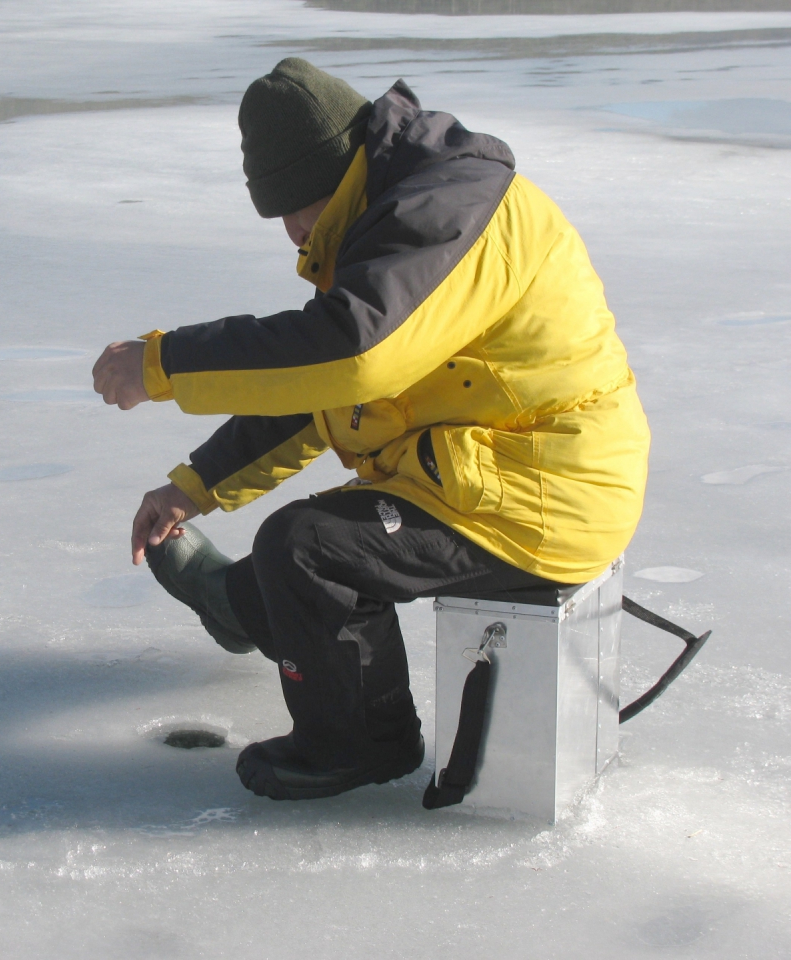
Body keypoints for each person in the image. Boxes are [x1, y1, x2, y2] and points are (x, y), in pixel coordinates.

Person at [91, 59, 650, 802]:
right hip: (491, 470)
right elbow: (323, 390)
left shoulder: (444, 212)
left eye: (295, 209)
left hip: (547, 491)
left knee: (305, 548)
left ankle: (359, 743)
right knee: (293, 567)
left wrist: (160, 365)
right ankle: (243, 604)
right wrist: (196, 488)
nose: (291, 231)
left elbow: (351, 354)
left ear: (336, 173)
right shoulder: (396, 211)